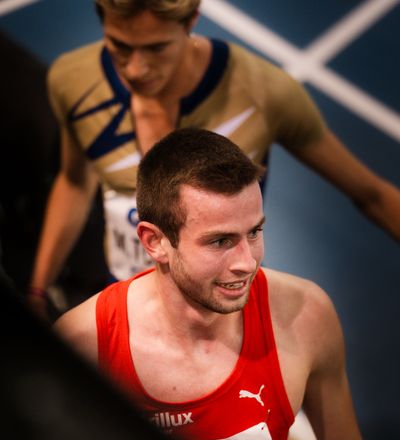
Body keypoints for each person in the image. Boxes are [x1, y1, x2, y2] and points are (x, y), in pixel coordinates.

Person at [55, 129, 388, 440]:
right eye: (219, 242)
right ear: (154, 241)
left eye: (254, 232)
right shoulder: (84, 346)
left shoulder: (305, 315)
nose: (246, 262)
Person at [27, 0, 400, 318]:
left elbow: (371, 194)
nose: (136, 69)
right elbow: (75, 182)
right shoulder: (71, 81)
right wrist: (38, 290)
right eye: (120, 46)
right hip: (129, 298)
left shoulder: (265, 92)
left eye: (156, 48)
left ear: (191, 20)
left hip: (227, 304)